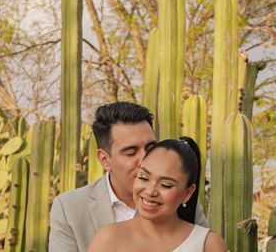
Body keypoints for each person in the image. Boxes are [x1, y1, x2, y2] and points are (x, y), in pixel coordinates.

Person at [48, 102, 209, 252]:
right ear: (105, 160)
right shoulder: (69, 209)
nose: (146, 159)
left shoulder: (177, 199)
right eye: (131, 152)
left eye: (151, 148)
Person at [87, 136, 227, 252]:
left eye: (165, 185)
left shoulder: (208, 244)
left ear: (188, 193)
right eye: (143, 178)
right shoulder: (109, 239)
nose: (150, 191)